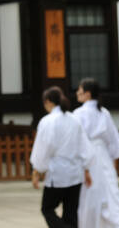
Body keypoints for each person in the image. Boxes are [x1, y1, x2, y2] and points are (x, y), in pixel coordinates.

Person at [73, 78, 119, 228]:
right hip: (103, 155)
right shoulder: (103, 112)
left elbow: (76, 139)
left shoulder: (78, 113)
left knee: (88, 193)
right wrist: (111, 157)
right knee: (110, 191)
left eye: (80, 90)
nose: (77, 93)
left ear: (87, 93)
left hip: (87, 155)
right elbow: (112, 139)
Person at [31, 86, 94, 228]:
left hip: (57, 173)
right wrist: (87, 168)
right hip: (75, 173)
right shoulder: (74, 120)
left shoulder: (47, 121)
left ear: (47, 101)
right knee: (71, 213)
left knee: (47, 209)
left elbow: (42, 149)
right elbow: (85, 147)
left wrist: (37, 171)